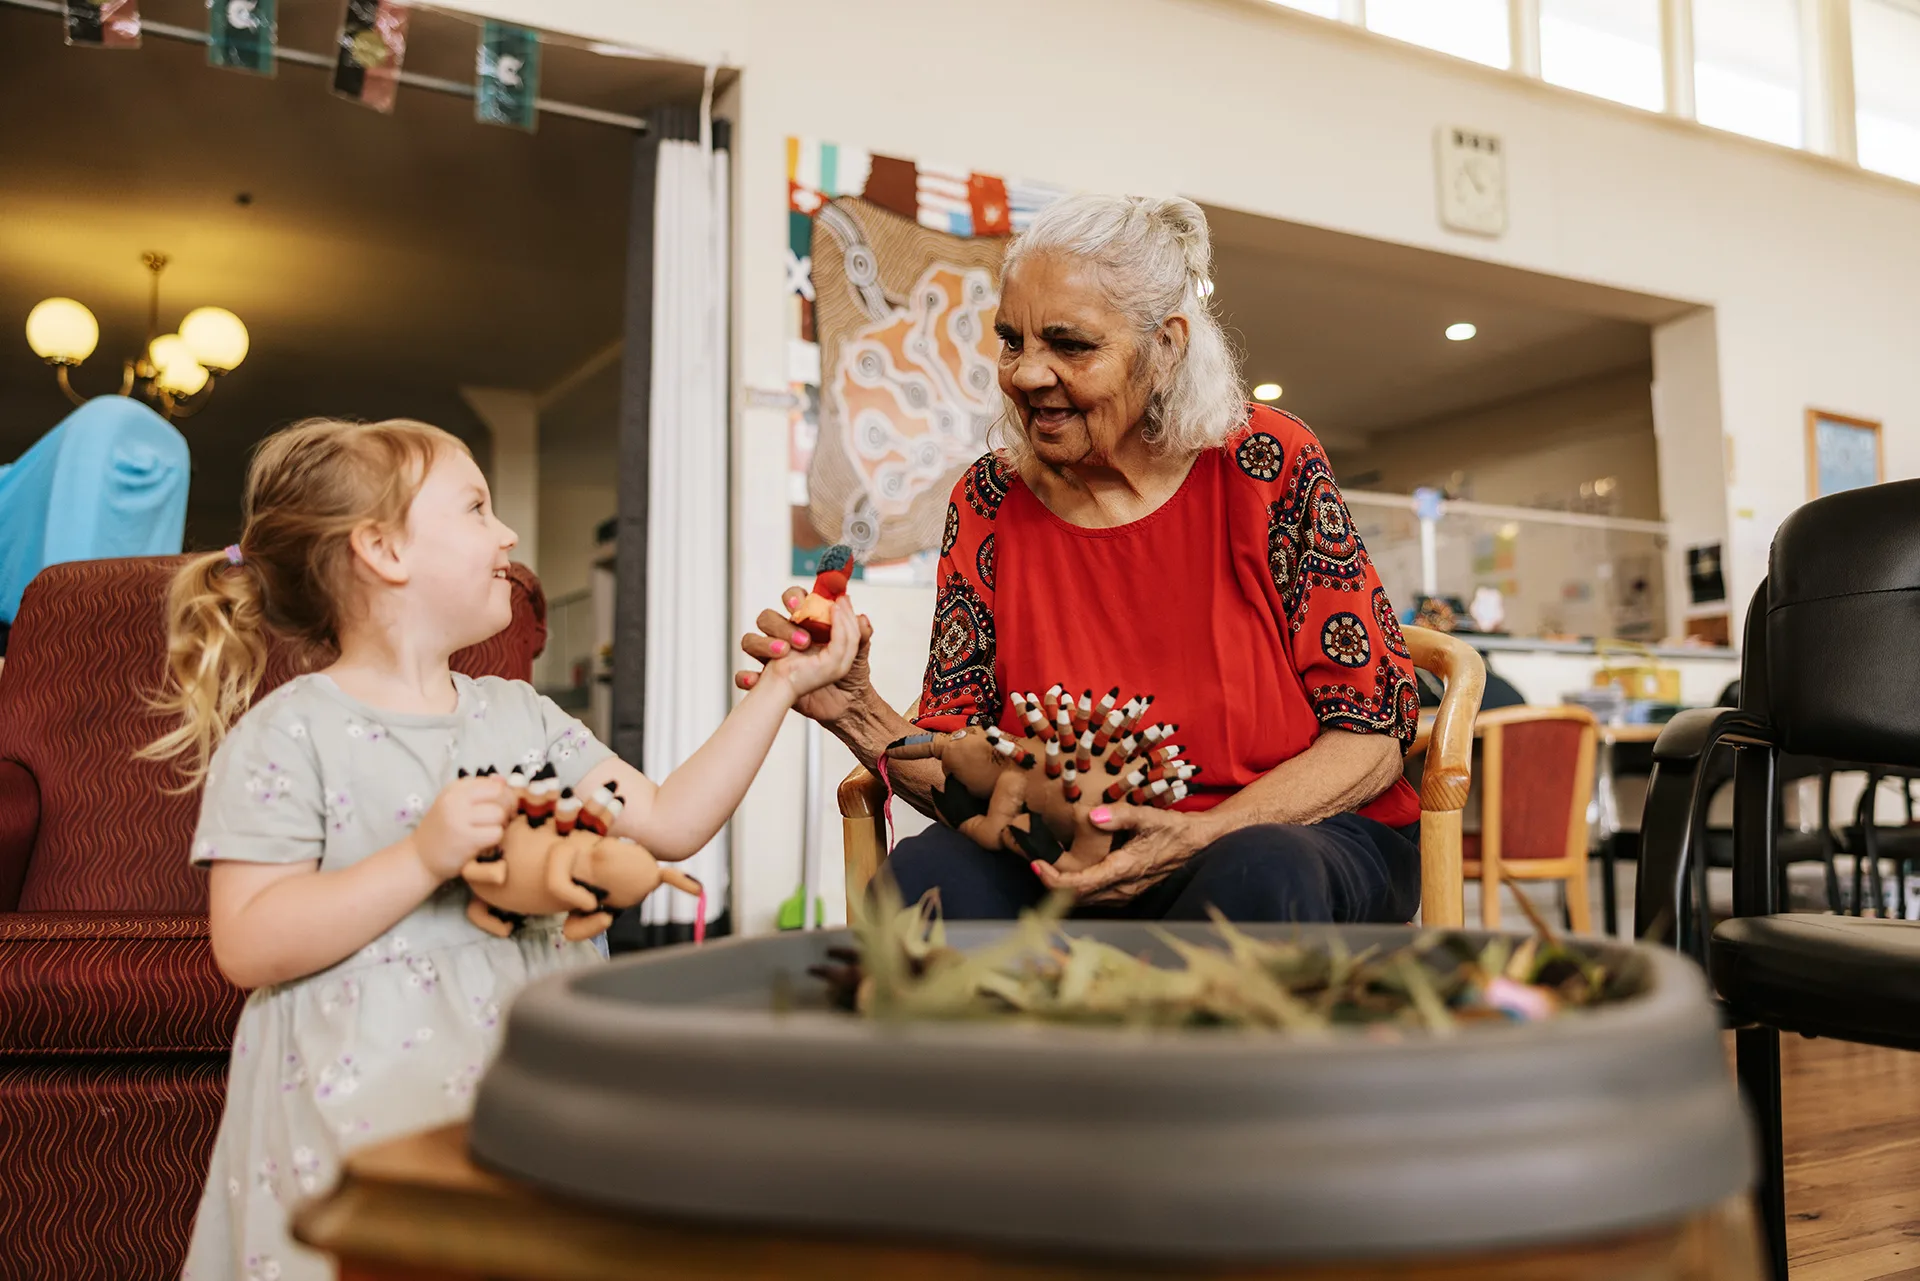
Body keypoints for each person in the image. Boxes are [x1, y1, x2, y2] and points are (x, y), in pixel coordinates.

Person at [150, 418, 855, 1281]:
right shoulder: (288, 732)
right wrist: (420, 858)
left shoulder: (521, 715)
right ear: (382, 549)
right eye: (477, 507)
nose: (509, 533)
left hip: (523, 1086)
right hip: (351, 1115)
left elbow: (670, 822)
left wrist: (784, 684)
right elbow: (248, 941)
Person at [739, 194, 1421, 923]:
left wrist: (1201, 833)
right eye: (1012, 341)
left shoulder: (1267, 464)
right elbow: (957, 761)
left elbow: (1371, 734)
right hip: (1068, 846)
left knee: (1258, 876)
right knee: (926, 882)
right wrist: (860, 712)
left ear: (1167, 347)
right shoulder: (989, 501)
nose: (1026, 374)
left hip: (1291, 831)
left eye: (1069, 345)